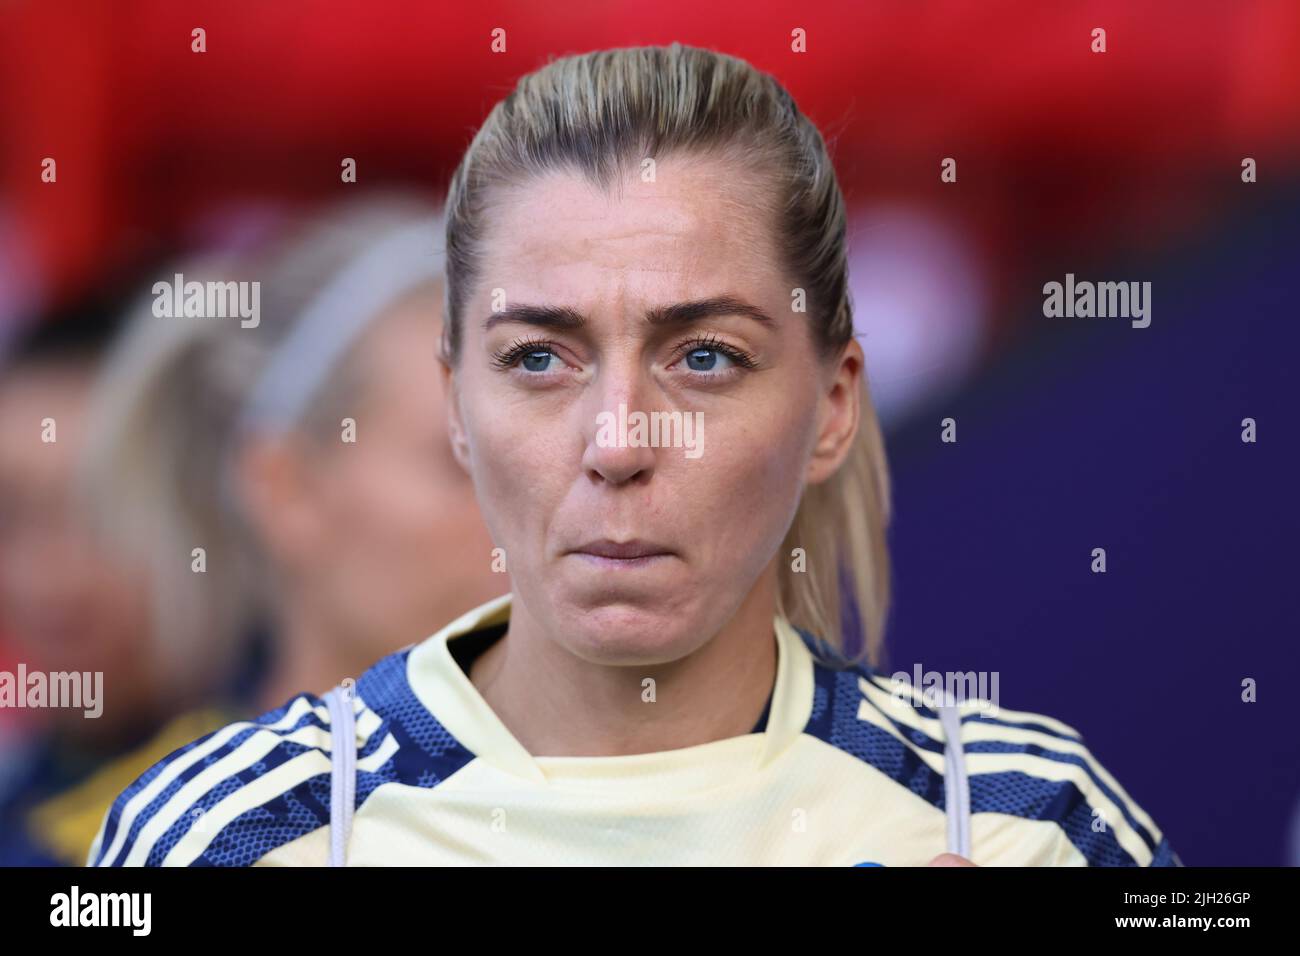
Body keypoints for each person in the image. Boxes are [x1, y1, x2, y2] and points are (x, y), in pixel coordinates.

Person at [88, 44, 1178, 866]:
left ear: (834, 406)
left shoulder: (1025, 821)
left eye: (704, 355)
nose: (617, 440)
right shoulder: (228, 834)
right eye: (538, 359)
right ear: (455, 407)